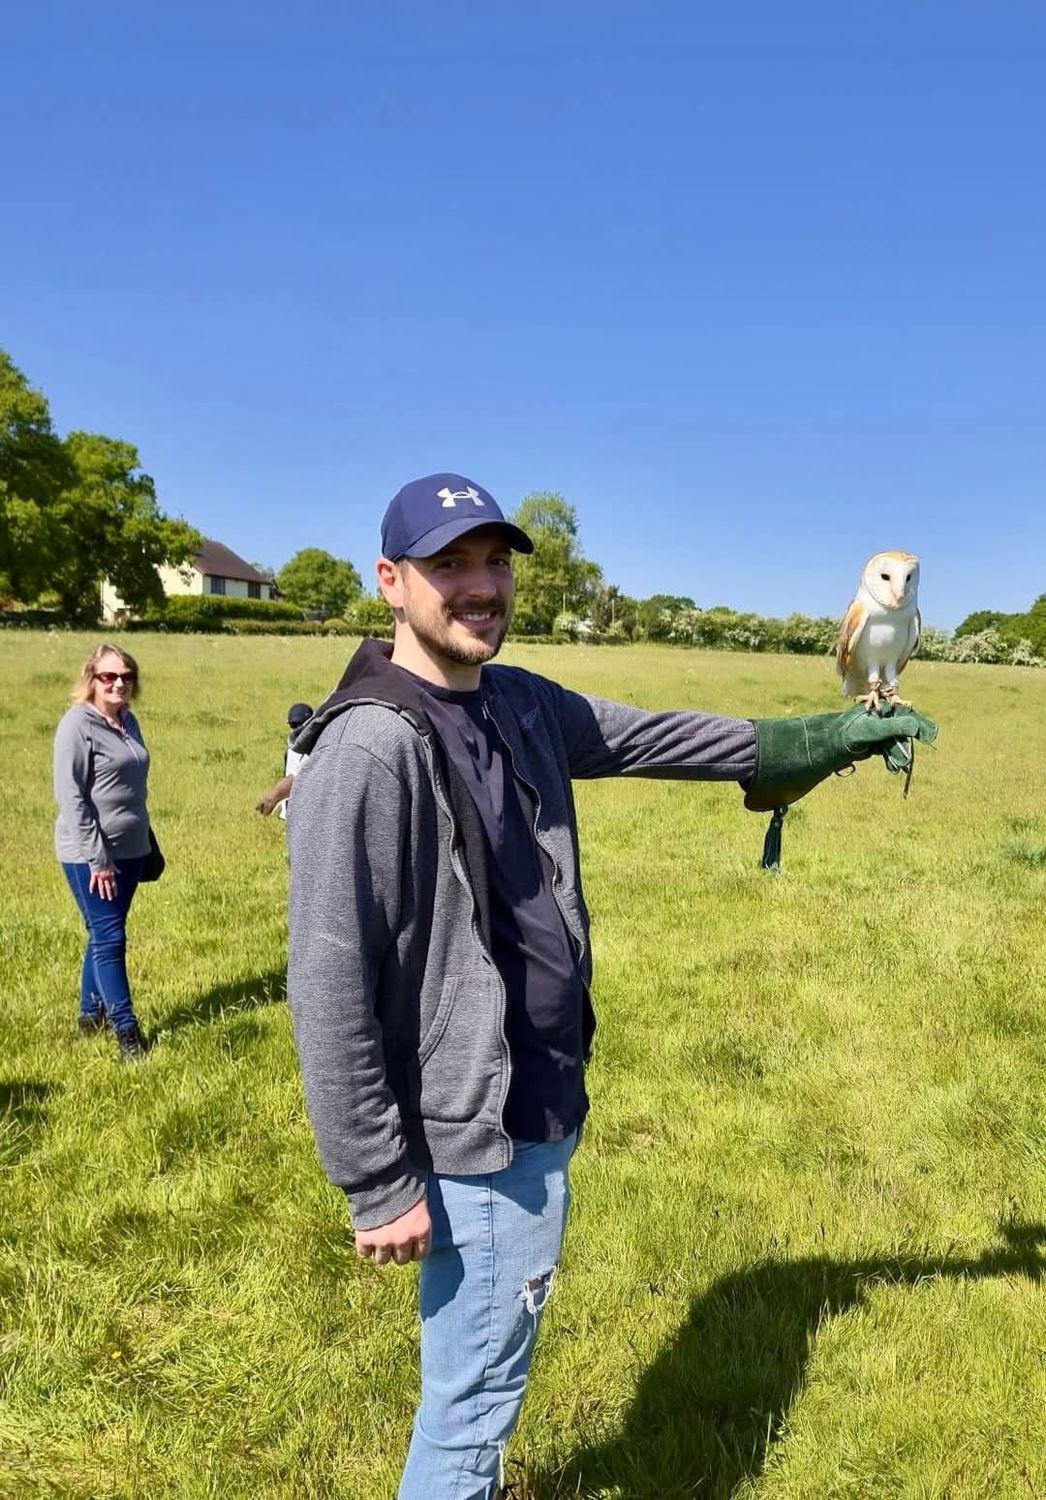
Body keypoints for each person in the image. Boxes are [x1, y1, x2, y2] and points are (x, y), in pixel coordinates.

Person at [286, 473, 937, 1499]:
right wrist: (374, 1180)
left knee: (483, 1380)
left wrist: (809, 740)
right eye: (448, 564)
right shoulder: (368, 746)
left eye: (494, 562)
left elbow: (649, 736)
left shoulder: (517, 701)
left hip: (542, 1092)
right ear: (390, 580)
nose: (480, 585)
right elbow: (326, 975)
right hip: (476, 1125)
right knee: (472, 1407)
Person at [53, 643, 153, 1060]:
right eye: (109, 676)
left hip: (131, 850)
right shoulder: (77, 725)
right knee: (111, 939)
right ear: (92, 679)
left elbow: (131, 787)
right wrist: (99, 860)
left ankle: (89, 1014)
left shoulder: (128, 721)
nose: (118, 684)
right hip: (91, 855)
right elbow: (71, 797)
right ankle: (127, 1033)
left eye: (126, 676)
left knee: (102, 933)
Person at [255, 701, 314, 817]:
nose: (296, 729)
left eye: (298, 725)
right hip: (293, 811)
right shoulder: (291, 750)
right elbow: (289, 776)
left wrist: (272, 798)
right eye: (293, 725)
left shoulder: (313, 748)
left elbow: (295, 778)